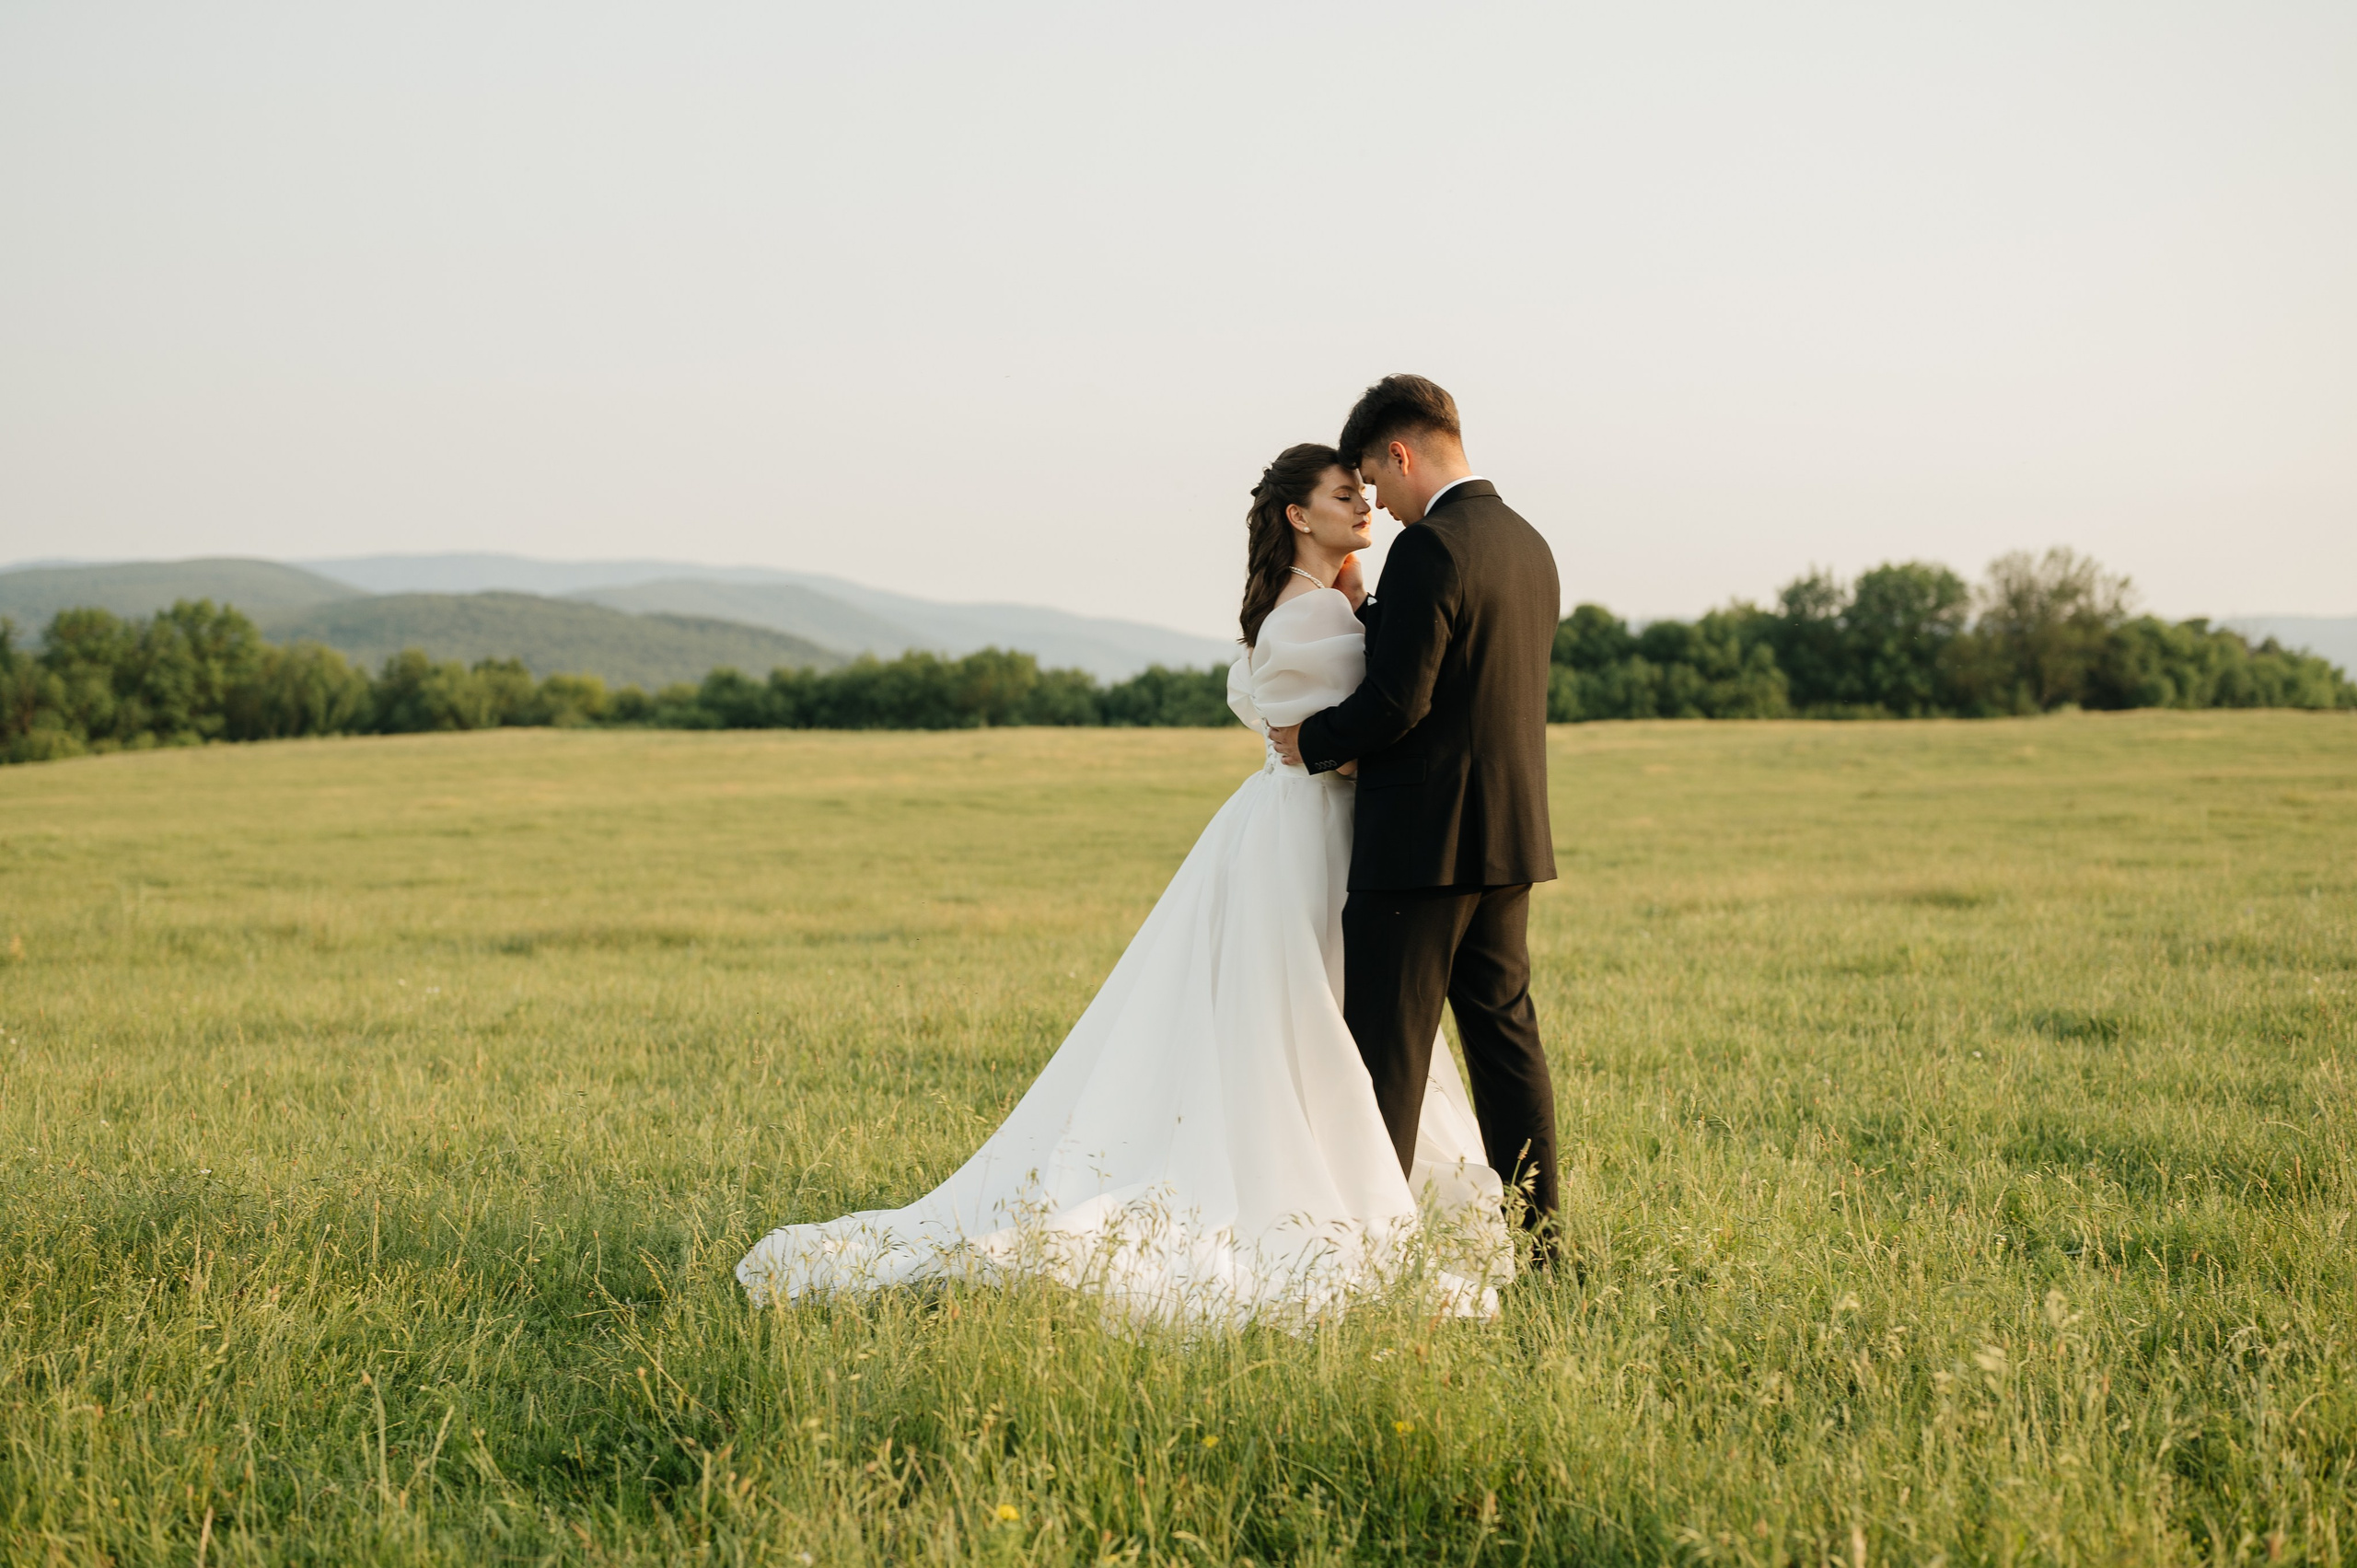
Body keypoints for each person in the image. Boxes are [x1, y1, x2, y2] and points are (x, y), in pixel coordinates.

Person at [737, 441, 1509, 1321]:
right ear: (1299, 516)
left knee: (1321, 1013)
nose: (1364, 506)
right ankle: (1320, 1182)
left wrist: (1360, 609)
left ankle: (1350, 1169)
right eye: (1345, 495)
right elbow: (1364, 733)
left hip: (1296, 829)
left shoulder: (1317, 608)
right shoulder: (1311, 621)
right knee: (1310, 1015)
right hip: (1316, 834)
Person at [1269, 375, 1562, 1249]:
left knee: (1384, 1058)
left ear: (1399, 453)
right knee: (1508, 1047)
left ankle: (1368, 1253)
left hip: (1421, 843)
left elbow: (1401, 700)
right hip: (1509, 837)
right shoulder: (1529, 543)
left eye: (1373, 477)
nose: (1380, 505)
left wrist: (1309, 740)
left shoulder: (1433, 547)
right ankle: (1543, 1244)